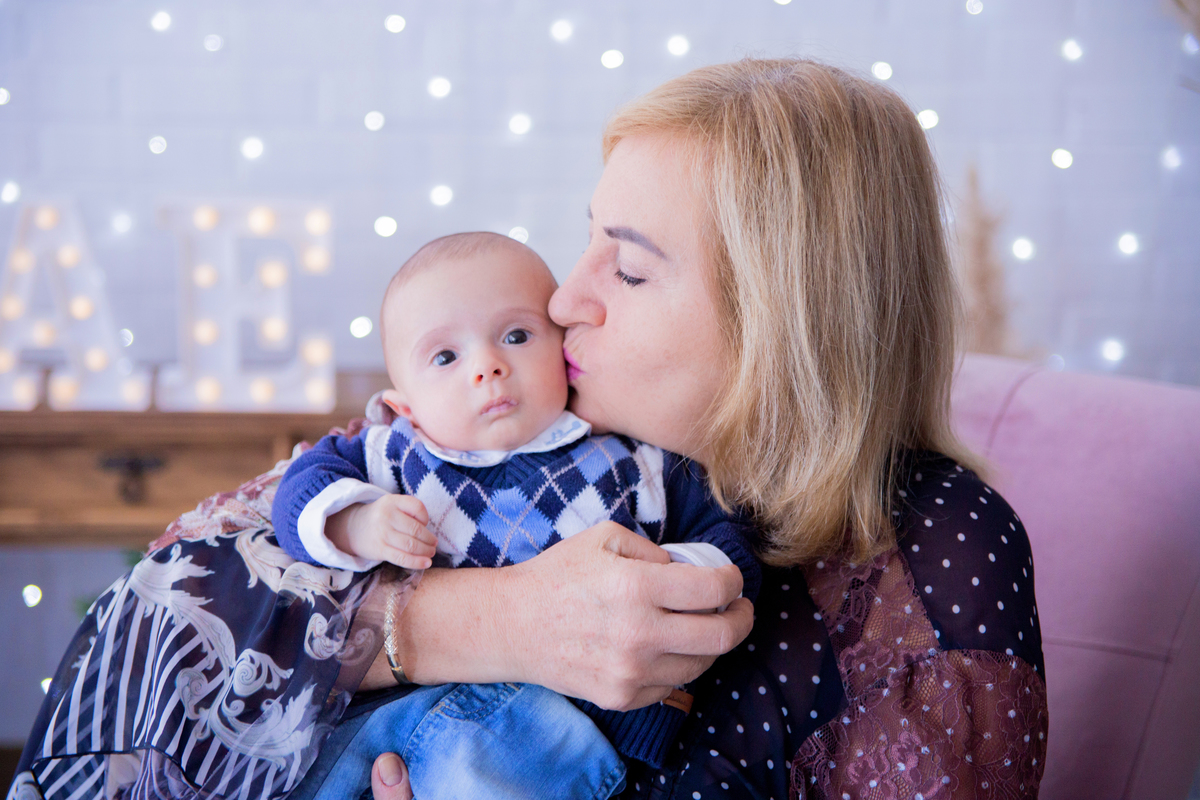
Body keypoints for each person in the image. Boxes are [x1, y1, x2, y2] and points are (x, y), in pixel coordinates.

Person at [12, 57, 1047, 800]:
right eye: (586, 238)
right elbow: (151, 612)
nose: (563, 301)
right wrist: (483, 618)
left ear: (791, 322)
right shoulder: (502, 417)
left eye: (630, 267)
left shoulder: (935, 551)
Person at [271, 231, 761, 799]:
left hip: (559, 730)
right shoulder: (396, 453)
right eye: (446, 356)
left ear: (563, 349)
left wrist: (670, 575)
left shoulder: (636, 460)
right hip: (402, 705)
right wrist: (355, 522)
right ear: (404, 404)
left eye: (517, 335)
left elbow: (727, 540)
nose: (489, 366)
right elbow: (298, 492)